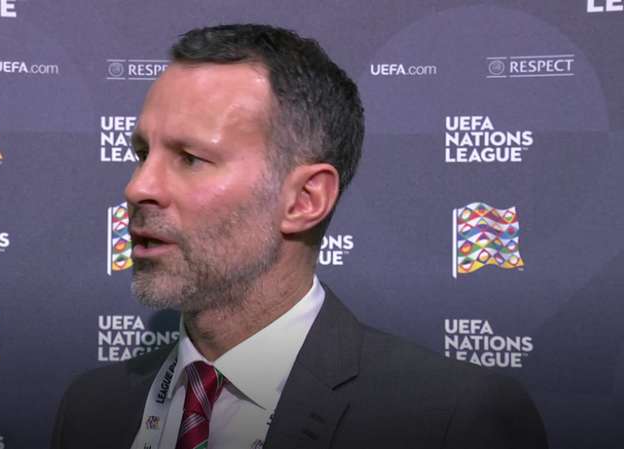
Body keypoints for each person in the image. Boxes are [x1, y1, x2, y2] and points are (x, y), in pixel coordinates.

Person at [52, 24, 548, 449]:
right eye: (142, 153)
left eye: (190, 158)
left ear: (305, 200)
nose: (138, 187)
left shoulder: (447, 419)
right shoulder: (91, 409)